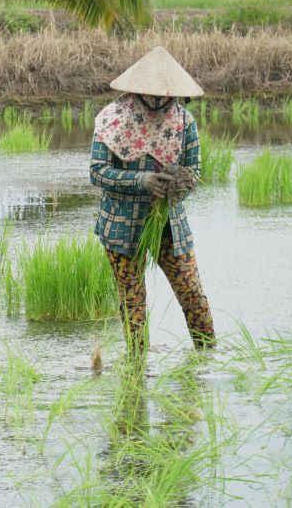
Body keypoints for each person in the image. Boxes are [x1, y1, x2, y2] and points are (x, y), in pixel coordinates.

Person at [89, 46, 216, 354]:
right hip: (121, 227)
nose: (161, 101)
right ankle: (137, 372)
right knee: (133, 306)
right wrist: (140, 181)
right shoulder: (112, 120)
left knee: (193, 296)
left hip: (169, 226)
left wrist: (178, 185)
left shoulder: (184, 123)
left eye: (167, 95)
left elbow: (194, 171)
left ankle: (207, 364)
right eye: (155, 94)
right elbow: (97, 172)